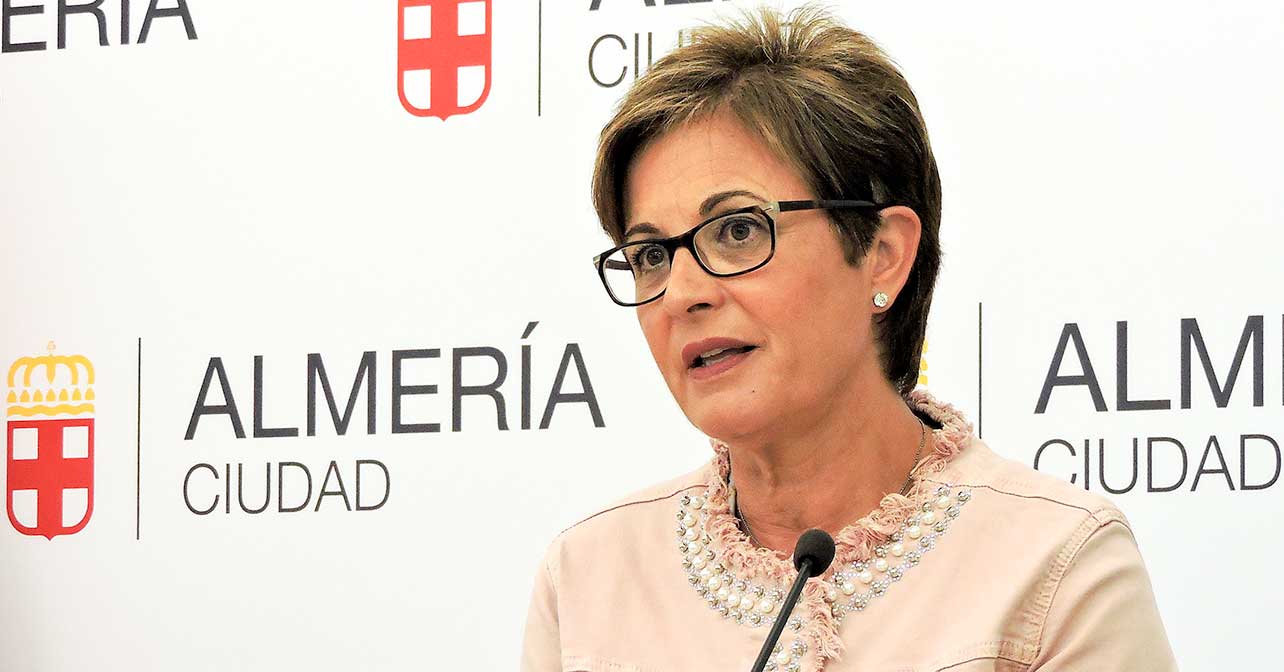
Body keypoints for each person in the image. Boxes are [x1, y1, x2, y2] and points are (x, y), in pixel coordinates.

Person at [521, 6, 1177, 671]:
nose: (682, 292)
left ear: (883, 255)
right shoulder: (587, 579)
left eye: (739, 231)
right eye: (651, 255)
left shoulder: (1056, 564)